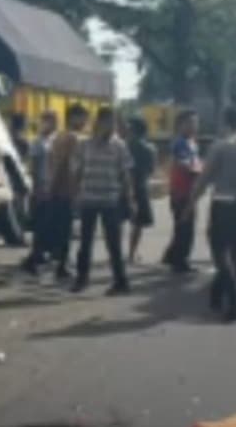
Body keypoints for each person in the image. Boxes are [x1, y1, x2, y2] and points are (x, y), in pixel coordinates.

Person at [187, 106, 236, 321]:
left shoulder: (219, 147)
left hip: (222, 203)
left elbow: (204, 179)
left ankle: (235, 297)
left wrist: (190, 203)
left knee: (219, 252)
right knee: (235, 252)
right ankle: (216, 295)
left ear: (225, 123)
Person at [70, 107, 133, 294]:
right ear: (99, 123)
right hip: (88, 199)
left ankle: (121, 281)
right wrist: (75, 195)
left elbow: (125, 175)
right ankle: (82, 279)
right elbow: (75, 171)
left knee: (113, 243)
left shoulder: (120, 146)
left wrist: (130, 199)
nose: (112, 127)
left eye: (114, 123)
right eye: (109, 122)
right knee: (85, 242)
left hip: (110, 201)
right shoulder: (84, 145)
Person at [46, 104, 90, 280]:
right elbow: (68, 166)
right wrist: (74, 191)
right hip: (66, 190)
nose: (86, 122)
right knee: (65, 230)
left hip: (60, 189)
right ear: (74, 118)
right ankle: (62, 266)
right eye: (84, 118)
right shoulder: (72, 138)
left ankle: (60, 263)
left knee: (62, 228)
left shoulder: (59, 137)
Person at [20, 110, 59, 275]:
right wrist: (37, 191)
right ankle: (33, 259)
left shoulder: (54, 140)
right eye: (47, 121)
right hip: (42, 188)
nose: (50, 124)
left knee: (50, 224)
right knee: (40, 225)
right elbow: (34, 168)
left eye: (53, 121)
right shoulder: (37, 142)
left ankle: (41, 256)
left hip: (53, 188)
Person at [162, 110, 201, 273]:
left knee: (182, 226)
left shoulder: (192, 143)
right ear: (181, 125)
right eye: (190, 123)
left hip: (189, 190)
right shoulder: (180, 143)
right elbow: (186, 166)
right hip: (181, 192)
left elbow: (195, 164)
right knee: (186, 228)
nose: (194, 126)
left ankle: (172, 256)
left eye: (196, 122)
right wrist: (202, 172)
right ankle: (180, 261)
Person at [126, 117, 157, 263]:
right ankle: (132, 253)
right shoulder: (149, 149)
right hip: (140, 186)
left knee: (117, 220)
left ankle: (117, 251)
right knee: (138, 223)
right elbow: (151, 170)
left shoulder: (123, 146)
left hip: (120, 186)